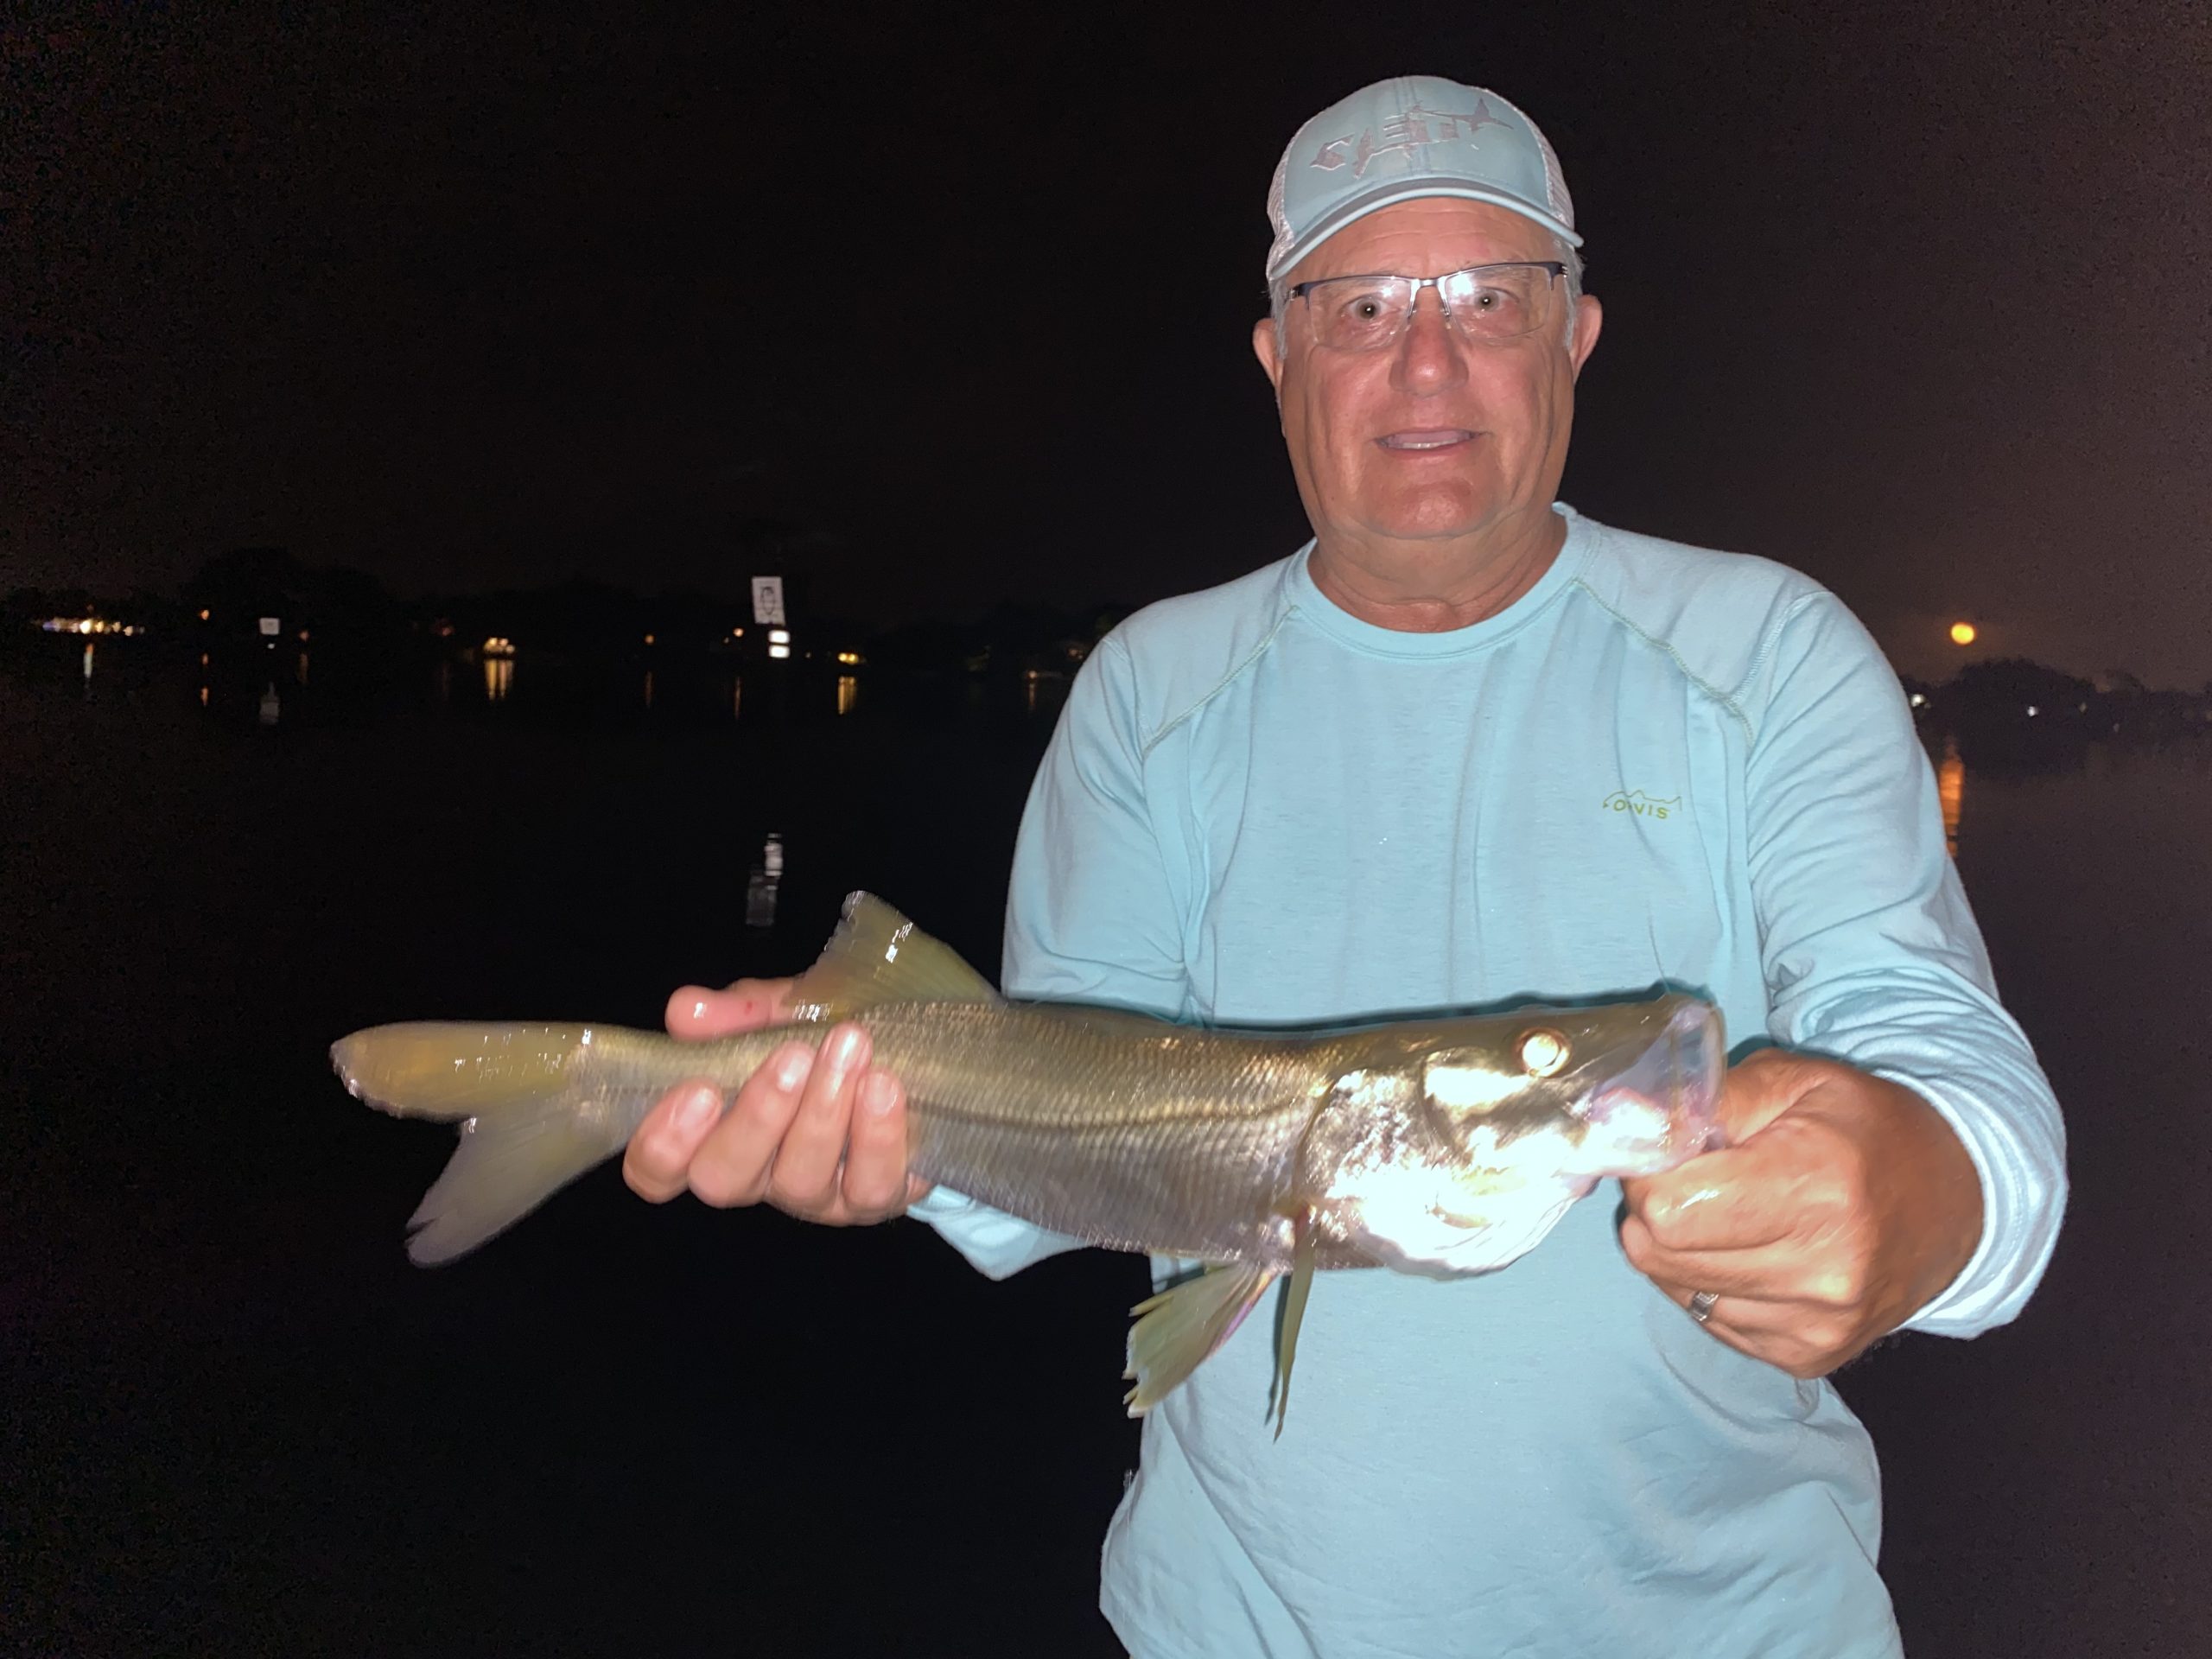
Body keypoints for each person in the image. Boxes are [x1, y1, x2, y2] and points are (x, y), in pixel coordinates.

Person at [622, 75, 2067, 1658]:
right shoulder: (1149, 693)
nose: (1426, 360)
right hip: (1231, 1626)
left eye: (1489, 299)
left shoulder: (1772, 652)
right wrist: (886, 1143)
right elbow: (1076, 1113)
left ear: (1575, 333)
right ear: (1278, 358)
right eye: (1359, 304)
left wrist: (1929, 1192)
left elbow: (1934, 1044)